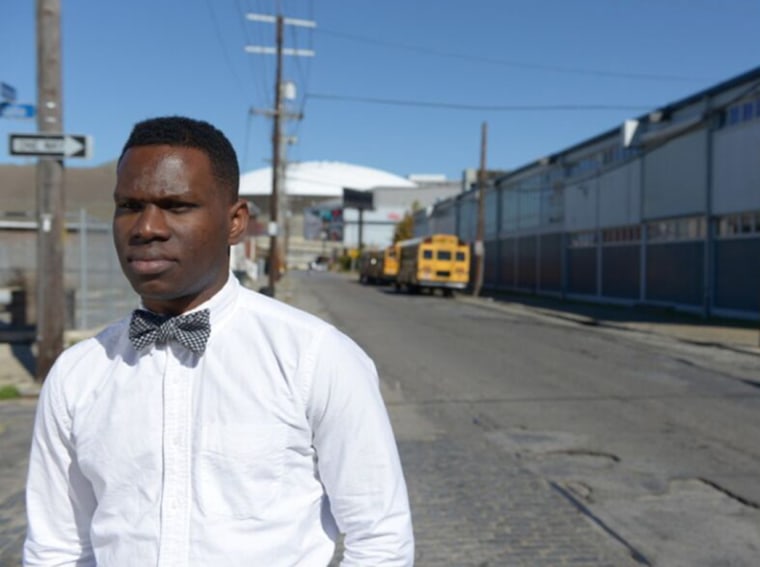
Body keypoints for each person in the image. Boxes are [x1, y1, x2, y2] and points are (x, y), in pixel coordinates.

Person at [24, 116, 414, 566]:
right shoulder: (77, 374)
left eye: (177, 205)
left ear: (235, 222)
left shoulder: (315, 357)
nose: (146, 227)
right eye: (129, 205)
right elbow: (57, 548)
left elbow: (380, 538)